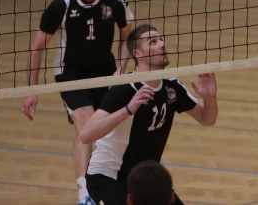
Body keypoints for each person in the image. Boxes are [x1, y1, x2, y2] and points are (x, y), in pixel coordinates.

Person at [22, 0, 134, 205]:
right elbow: (37, 46)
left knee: (114, 129)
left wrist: (121, 69)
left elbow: (127, 36)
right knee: (87, 128)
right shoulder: (62, 5)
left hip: (106, 72)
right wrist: (31, 90)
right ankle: (84, 193)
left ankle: (114, 181)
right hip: (71, 74)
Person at [79, 24, 218, 205]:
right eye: (153, 42)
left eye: (161, 39)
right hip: (109, 177)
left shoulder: (172, 86)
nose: (162, 44)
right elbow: (86, 135)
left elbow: (207, 119)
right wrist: (128, 109)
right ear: (138, 54)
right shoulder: (125, 88)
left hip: (145, 178)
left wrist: (210, 97)